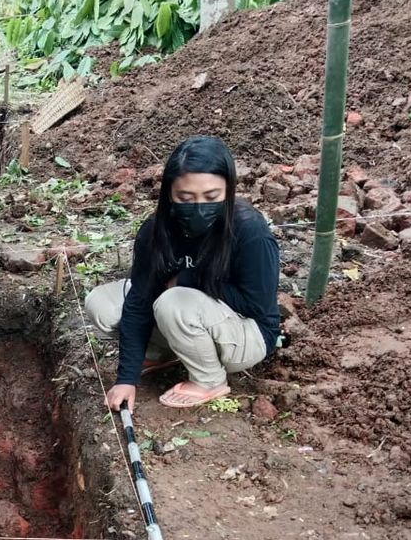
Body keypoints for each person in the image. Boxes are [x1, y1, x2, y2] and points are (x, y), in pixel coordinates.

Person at [84, 135, 280, 410]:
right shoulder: (155, 232)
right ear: (169, 194)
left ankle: (209, 379)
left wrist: (189, 280)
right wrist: (126, 379)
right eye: (186, 197)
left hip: (245, 333)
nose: (199, 208)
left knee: (174, 301)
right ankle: (159, 353)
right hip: (190, 316)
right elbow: (139, 302)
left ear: (229, 190)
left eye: (212, 197)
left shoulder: (249, 231)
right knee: (102, 304)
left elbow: (256, 305)